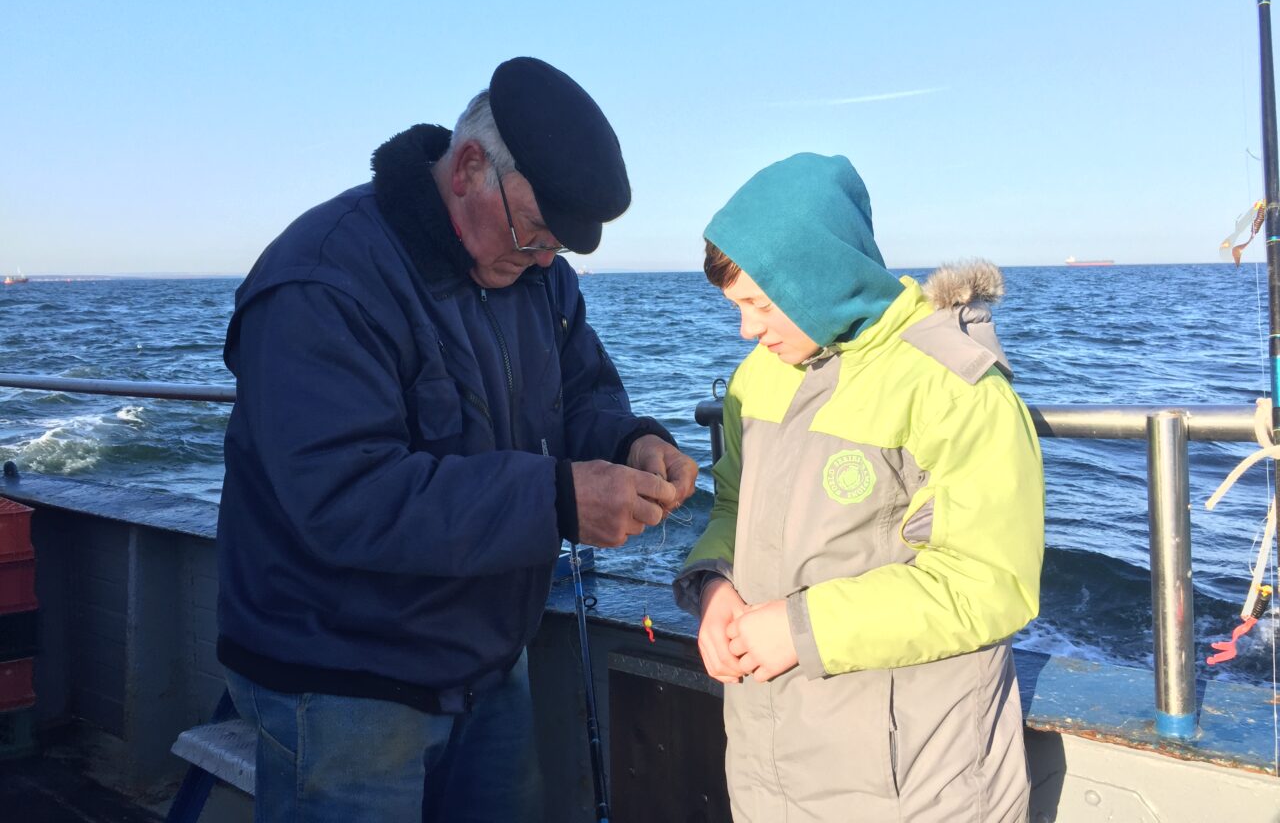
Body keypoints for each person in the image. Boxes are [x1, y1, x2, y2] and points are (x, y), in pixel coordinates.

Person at [217, 57, 698, 823]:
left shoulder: (538, 274)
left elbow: (581, 391)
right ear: (470, 166)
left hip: (485, 660)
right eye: (534, 232)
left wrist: (632, 442)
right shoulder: (323, 278)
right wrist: (557, 501)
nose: (545, 258)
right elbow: (343, 497)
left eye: (558, 246)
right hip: (344, 673)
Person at [674, 153, 1044, 822]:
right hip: (766, 767)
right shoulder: (757, 377)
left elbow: (990, 583)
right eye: (737, 307)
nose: (746, 329)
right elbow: (732, 504)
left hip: (918, 784)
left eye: (760, 305)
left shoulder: (953, 385)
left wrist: (802, 628)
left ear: (818, 279)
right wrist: (714, 585)